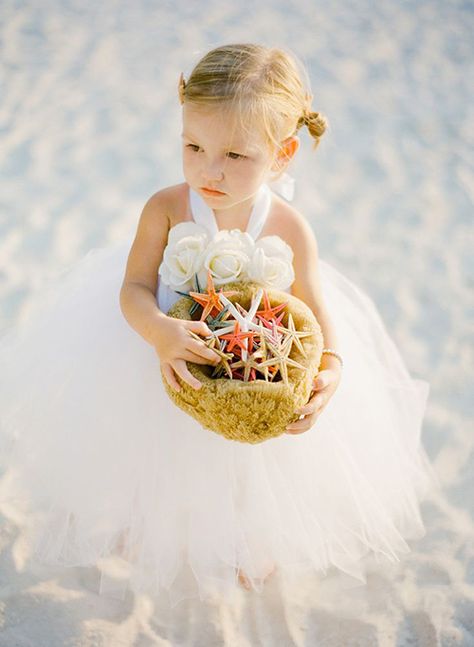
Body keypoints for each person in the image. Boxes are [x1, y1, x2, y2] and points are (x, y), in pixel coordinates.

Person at [0, 43, 440, 608]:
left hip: (246, 369)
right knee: (145, 442)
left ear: (282, 154)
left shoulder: (289, 225)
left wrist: (329, 369)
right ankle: (140, 520)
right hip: (164, 352)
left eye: (236, 154)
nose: (209, 169)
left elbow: (318, 317)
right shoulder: (164, 207)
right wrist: (158, 331)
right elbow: (133, 288)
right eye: (193, 145)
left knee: (245, 462)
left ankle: (241, 539)